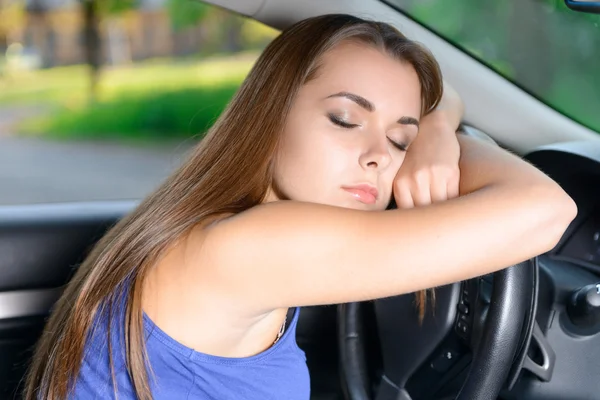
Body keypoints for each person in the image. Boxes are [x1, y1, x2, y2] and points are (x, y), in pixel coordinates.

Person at [24, 14, 576, 400]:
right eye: (344, 120)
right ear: (270, 113)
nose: (380, 159)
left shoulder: (210, 225)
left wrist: (435, 127)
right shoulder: (245, 249)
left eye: (399, 142)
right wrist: (433, 132)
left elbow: (448, 95)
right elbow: (545, 208)